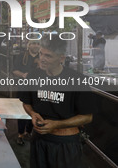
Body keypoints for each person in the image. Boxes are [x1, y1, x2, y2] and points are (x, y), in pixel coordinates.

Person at [20, 35, 95, 168]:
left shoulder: (77, 80)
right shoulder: (33, 76)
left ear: (61, 58)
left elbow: (87, 117)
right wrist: (32, 114)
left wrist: (57, 124)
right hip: (39, 140)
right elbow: (26, 103)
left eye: (48, 56)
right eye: (41, 54)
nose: (42, 59)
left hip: (65, 143)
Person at [12, 40, 40, 145]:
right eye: (34, 43)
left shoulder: (42, 57)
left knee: (35, 111)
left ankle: (28, 132)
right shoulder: (21, 56)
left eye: (38, 44)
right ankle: (20, 134)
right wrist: (23, 75)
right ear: (29, 45)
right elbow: (14, 70)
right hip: (24, 87)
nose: (36, 46)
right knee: (22, 111)